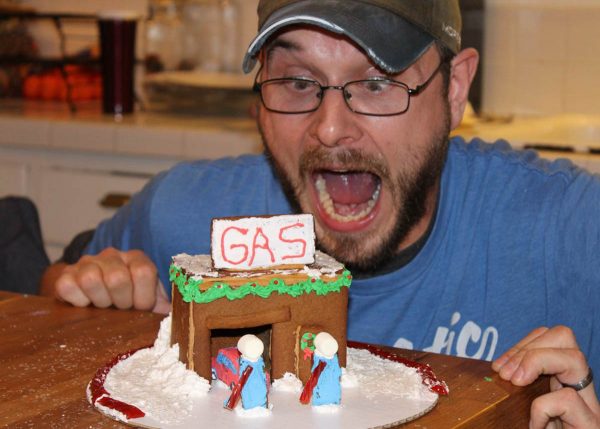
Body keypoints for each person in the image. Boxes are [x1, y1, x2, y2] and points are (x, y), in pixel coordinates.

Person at [40, 0, 599, 426]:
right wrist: (88, 295)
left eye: (378, 82)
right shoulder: (181, 214)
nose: (330, 128)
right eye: (297, 81)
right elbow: (52, 295)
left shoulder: (571, 232)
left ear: (454, 89)